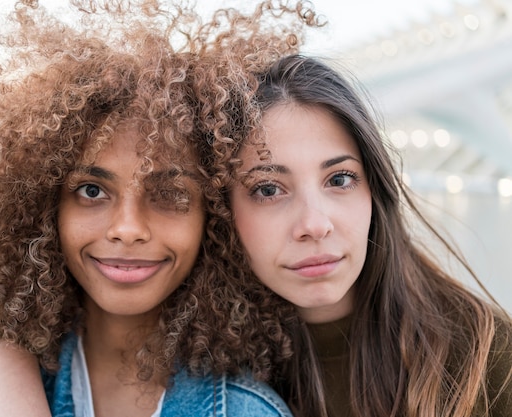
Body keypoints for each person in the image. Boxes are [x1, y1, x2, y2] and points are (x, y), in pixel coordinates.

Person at [0, 1, 321, 416]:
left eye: (170, 194)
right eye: (92, 191)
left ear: (215, 220)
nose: (128, 228)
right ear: (42, 210)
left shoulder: (247, 410)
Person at [217, 54, 512, 417]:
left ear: (374, 188)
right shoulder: (193, 378)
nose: (314, 224)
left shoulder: (485, 354)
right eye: (267, 189)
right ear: (222, 209)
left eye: (339, 180)